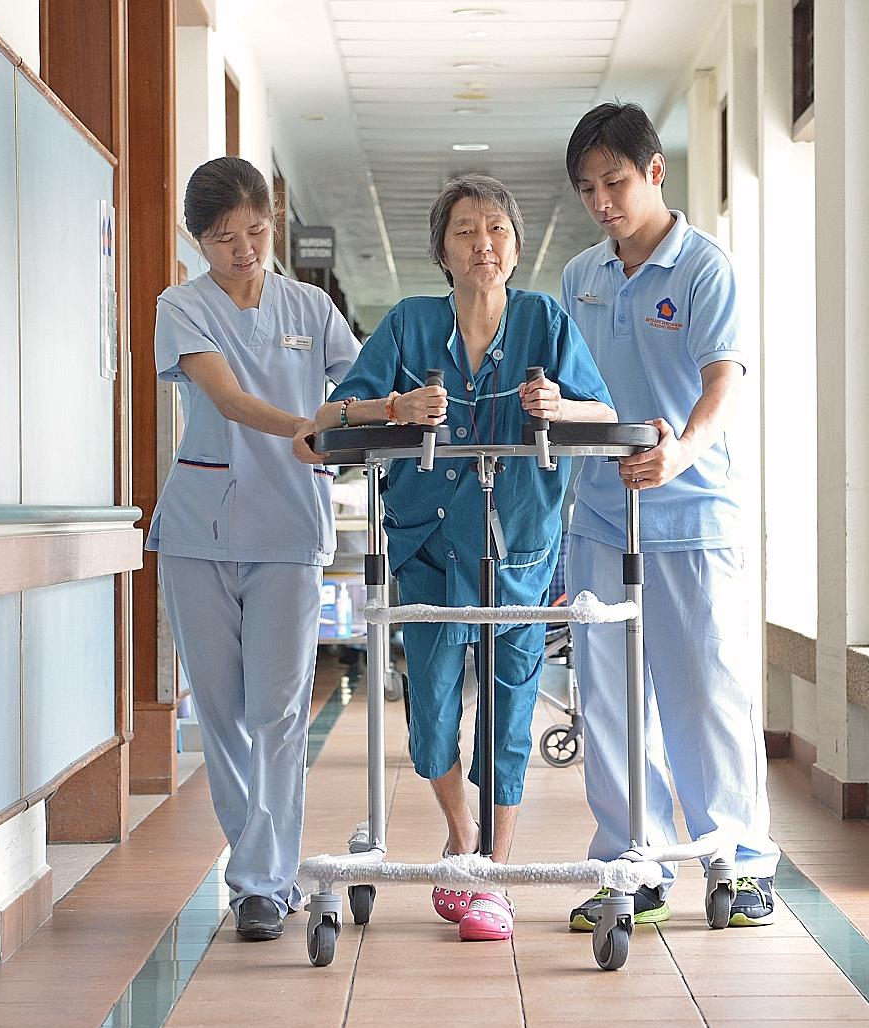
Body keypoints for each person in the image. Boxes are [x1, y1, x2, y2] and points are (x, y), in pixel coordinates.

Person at [298, 175, 613, 941]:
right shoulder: (408, 326)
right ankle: (460, 838)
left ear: (516, 245)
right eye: (467, 230)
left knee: (508, 713)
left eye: (498, 229)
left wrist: (557, 407)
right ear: (442, 248)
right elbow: (326, 419)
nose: (484, 243)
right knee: (434, 714)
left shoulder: (544, 320)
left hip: (519, 550)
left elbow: (603, 412)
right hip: (430, 544)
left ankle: (492, 874)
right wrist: (394, 409)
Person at [559, 102, 780, 931]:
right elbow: (580, 391)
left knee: (705, 694)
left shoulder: (703, 268)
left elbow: (725, 379)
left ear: (655, 172)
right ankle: (633, 862)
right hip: (600, 518)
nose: (603, 203)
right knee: (611, 703)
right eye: (588, 190)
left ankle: (739, 864)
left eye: (615, 182)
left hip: (691, 513)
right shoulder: (582, 277)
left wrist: (682, 450)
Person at [148, 157, 359, 941]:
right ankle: (258, 871)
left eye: (257, 231)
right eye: (223, 238)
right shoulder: (183, 304)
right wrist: (309, 425)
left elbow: (356, 386)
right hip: (200, 534)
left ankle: (261, 882)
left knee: (276, 709)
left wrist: (368, 412)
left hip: (288, 534)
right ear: (197, 240)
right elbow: (230, 399)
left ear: (273, 219)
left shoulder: (311, 305)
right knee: (226, 711)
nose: (244, 250)